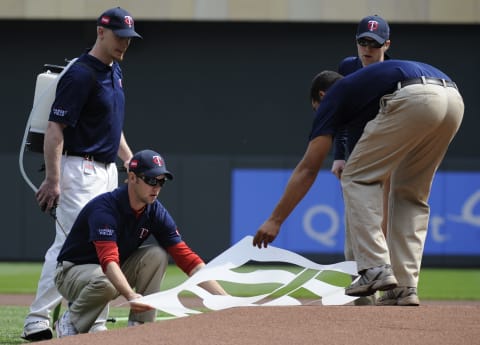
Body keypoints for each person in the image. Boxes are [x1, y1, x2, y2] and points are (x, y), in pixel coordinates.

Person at [253, 60, 464, 307]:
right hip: (452, 98)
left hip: (414, 97)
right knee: (409, 195)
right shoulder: (364, 98)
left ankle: (375, 267)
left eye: (316, 108)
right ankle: (405, 287)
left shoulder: (334, 97)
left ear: (321, 95)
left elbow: (309, 168)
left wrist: (275, 219)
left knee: (355, 177)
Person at [22, 7, 141, 341]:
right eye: (119, 36)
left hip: (106, 172)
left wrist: (129, 160)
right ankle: (37, 319)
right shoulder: (81, 73)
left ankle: (93, 319)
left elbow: (112, 127)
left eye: (129, 39)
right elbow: (55, 128)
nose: (124, 44)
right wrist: (54, 179)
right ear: (101, 32)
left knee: (105, 244)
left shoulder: (114, 71)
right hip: (79, 169)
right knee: (72, 245)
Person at [53, 149, 228, 337]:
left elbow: (187, 259)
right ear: (132, 178)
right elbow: (108, 261)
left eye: (162, 181)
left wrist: (224, 299)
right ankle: (70, 322)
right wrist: (130, 295)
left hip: (108, 272)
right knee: (106, 280)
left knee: (156, 255)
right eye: (151, 180)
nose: (157, 187)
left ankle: (140, 328)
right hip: (71, 272)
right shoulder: (105, 208)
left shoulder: (154, 211)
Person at [333, 15, 392, 306]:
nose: (367, 49)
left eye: (374, 43)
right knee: (355, 226)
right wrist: (339, 155)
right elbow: (340, 114)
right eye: (363, 42)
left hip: (388, 156)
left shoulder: (396, 74)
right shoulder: (348, 67)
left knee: (386, 226)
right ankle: (361, 287)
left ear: (387, 45)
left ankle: (394, 287)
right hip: (357, 158)